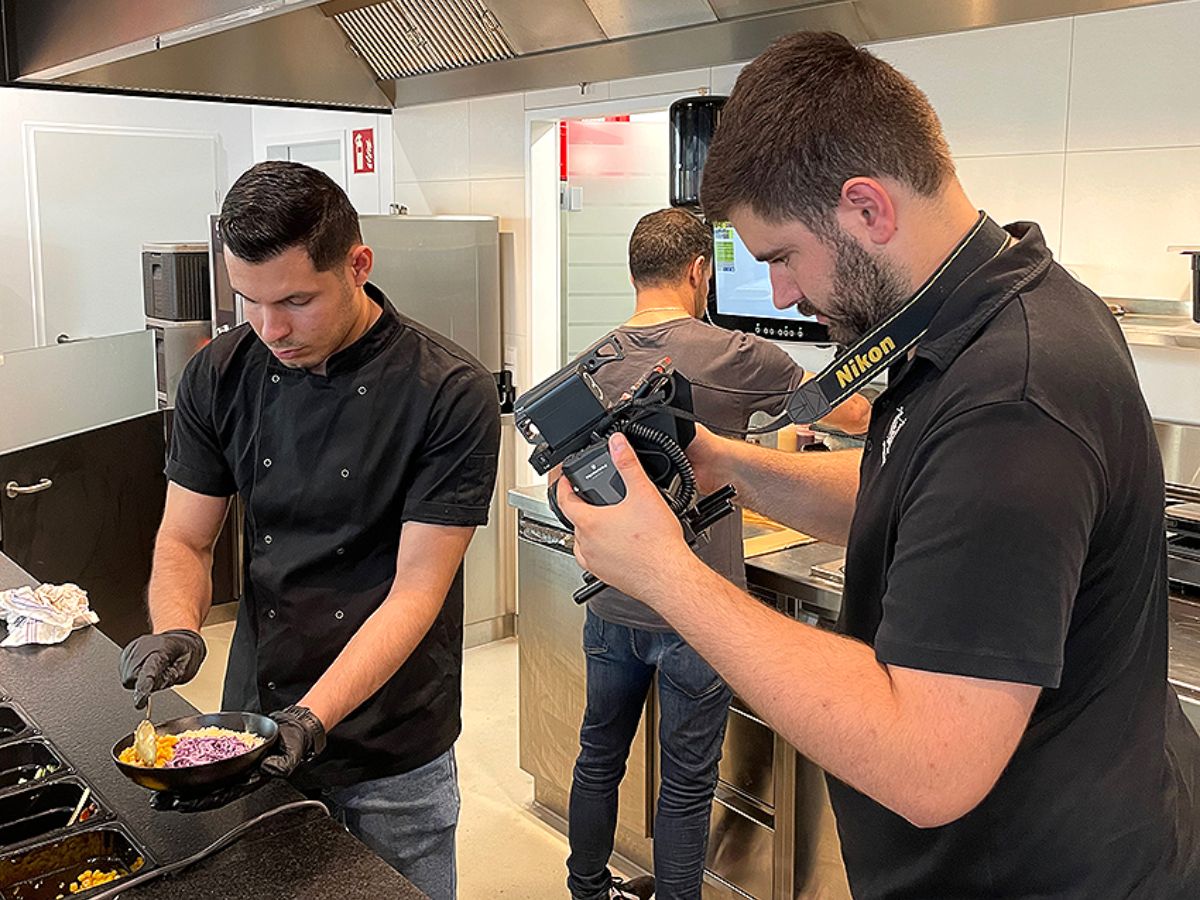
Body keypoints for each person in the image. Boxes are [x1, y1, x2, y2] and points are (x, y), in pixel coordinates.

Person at [556, 31, 1200, 899]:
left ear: (867, 208)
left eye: (781, 255)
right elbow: (903, 493)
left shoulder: (1011, 397)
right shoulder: (996, 306)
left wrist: (667, 575)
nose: (781, 294)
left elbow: (932, 764)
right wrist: (722, 464)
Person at [118, 161, 500, 900]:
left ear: (358, 265)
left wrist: (312, 717)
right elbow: (185, 540)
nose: (272, 329)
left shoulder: (449, 391)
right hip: (258, 724)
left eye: (296, 300)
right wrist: (177, 628)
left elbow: (416, 592)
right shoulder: (220, 373)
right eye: (249, 302)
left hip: (394, 745)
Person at [563, 207, 870, 900]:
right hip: (699, 611)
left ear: (635, 271)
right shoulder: (735, 354)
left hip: (611, 600)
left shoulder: (593, 362)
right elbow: (849, 415)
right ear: (700, 272)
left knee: (598, 757)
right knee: (687, 781)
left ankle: (586, 891)